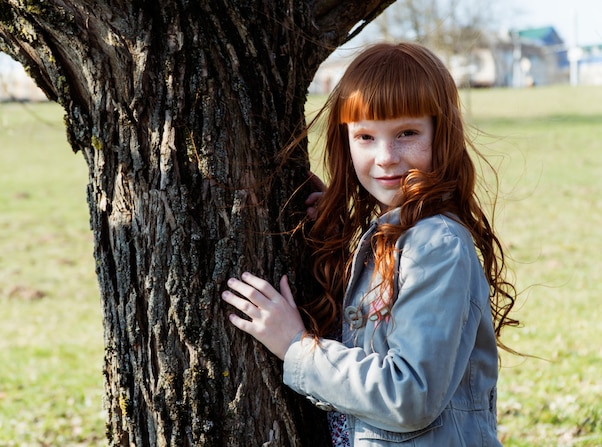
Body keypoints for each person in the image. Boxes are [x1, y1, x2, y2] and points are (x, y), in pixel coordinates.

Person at [221, 42, 519, 446]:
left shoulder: (437, 246)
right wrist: (342, 231)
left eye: (407, 133)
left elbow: (409, 395)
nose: (386, 157)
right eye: (365, 136)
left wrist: (295, 346)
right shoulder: (393, 234)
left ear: (442, 134)